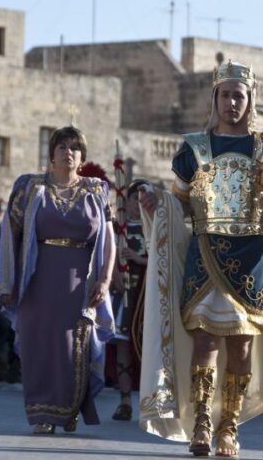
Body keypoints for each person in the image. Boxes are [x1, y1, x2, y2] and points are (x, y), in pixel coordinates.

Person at [138, 60, 263, 457]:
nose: (233, 102)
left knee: (242, 348)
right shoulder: (194, 148)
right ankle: (201, 422)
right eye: (226, 94)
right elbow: (177, 205)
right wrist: (151, 200)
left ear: (250, 100)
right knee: (206, 341)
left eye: (239, 95)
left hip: (254, 259)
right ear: (215, 98)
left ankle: (229, 428)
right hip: (206, 255)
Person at [0, 126, 115, 435]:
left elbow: (108, 240)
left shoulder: (96, 190)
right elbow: (11, 235)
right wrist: (7, 284)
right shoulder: (30, 187)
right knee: (39, 348)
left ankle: (68, 409)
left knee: (73, 348)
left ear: (82, 156)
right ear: (51, 154)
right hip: (37, 279)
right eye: (61, 147)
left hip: (79, 282)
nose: (68, 152)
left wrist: (104, 280)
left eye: (74, 148)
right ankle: (42, 415)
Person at [110, 179, 149, 421]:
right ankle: (124, 401)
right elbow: (108, 254)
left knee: (148, 347)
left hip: (147, 296)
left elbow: (164, 259)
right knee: (122, 344)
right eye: (135, 198)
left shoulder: (156, 228)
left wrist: (138, 258)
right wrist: (114, 272)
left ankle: (151, 401)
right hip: (124, 294)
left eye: (143, 199)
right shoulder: (118, 229)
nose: (138, 204)